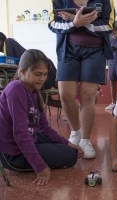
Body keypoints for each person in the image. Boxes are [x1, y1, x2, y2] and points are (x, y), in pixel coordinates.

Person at [0, 49, 83, 186]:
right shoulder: (16, 89)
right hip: (14, 153)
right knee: (71, 157)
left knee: (70, 150)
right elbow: (20, 133)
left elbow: (44, 128)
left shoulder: (35, 91)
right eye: (38, 74)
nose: (43, 78)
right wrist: (40, 167)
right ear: (23, 72)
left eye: (45, 74)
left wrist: (68, 143)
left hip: (32, 138)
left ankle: (51, 150)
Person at [48, 0, 115, 158]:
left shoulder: (106, 1)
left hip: (95, 51)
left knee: (87, 95)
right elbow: (52, 24)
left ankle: (85, 139)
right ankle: (76, 132)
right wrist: (74, 23)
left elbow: (109, 25)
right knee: (65, 95)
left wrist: (84, 24)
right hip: (68, 51)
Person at [0, 32, 61, 108]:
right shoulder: (8, 45)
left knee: (48, 99)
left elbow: (12, 64)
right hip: (41, 66)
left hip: (40, 66)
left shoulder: (8, 42)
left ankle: (73, 107)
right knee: (48, 99)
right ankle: (74, 107)